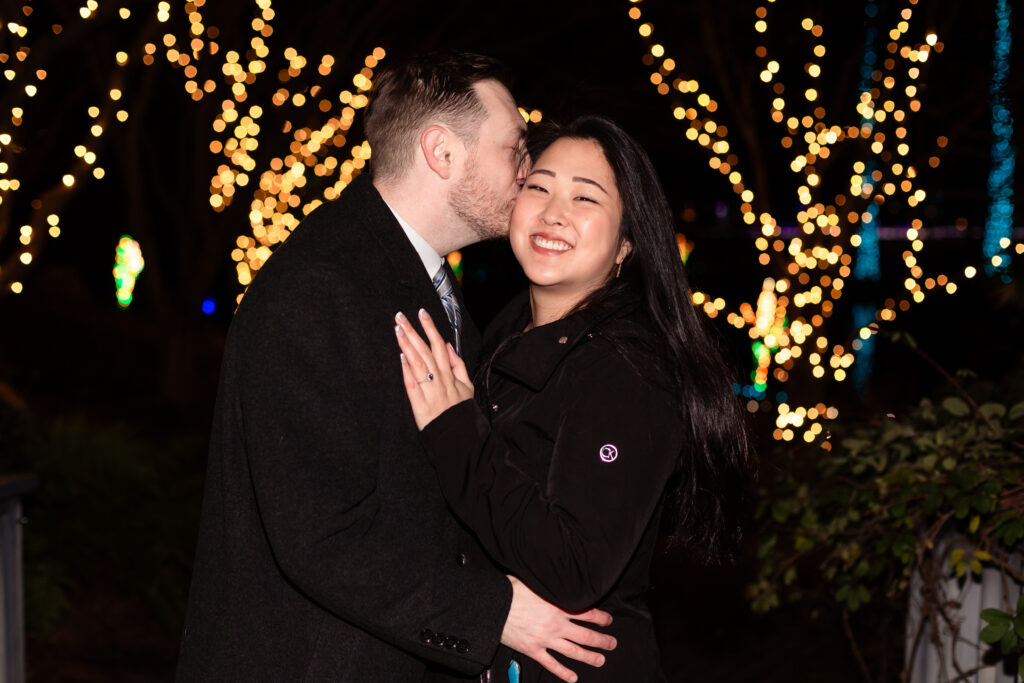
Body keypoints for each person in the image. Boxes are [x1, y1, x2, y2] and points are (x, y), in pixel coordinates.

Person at [177, 53, 617, 683]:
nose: (528, 173)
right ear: (441, 151)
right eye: (515, 149)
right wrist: (496, 614)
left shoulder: (422, 280)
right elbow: (320, 535)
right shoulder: (321, 286)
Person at [395, 115, 754, 682]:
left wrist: (454, 428)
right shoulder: (505, 334)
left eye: (585, 198)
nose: (553, 212)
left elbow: (573, 566)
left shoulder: (628, 369)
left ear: (627, 243)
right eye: (538, 187)